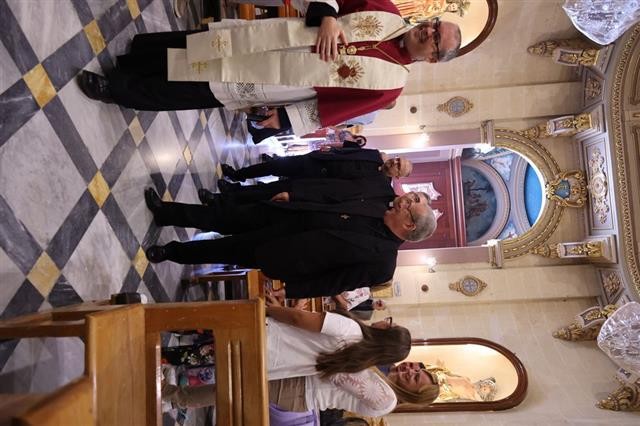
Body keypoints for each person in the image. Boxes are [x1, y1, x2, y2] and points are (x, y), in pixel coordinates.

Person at [76, 0, 461, 137]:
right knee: (197, 45)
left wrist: (286, 120)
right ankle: (133, 62)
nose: (427, 31)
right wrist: (328, 15)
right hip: (273, 38)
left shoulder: (391, 86)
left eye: (434, 39)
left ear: (431, 58)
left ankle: (118, 90)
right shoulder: (388, 12)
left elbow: (334, 111)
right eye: (433, 25)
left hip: (275, 81)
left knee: (195, 88)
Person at [143, 186, 436, 297]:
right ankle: (166, 212)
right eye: (412, 198)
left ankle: (171, 252)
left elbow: (335, 282)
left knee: (221, 250)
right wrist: (297, 196)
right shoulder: (379, 203)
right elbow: (331, 197)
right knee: (223, 217)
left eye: (411, 205)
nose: (405, 200)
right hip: (287, 215)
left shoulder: (382, 263)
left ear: (409, 225)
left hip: (287, 252)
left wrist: (292, 290)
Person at [218, 147, 412, 182]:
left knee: (276, 187)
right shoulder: (376, 155)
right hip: (317, 161)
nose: (394, 162)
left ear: (397, 176)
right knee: (275, 165)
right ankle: (238, 174)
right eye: (397, 159)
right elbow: (350, 150)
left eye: (398, 165)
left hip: (316, 181)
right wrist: (331, 149)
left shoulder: (379, 183)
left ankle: (233, 192)